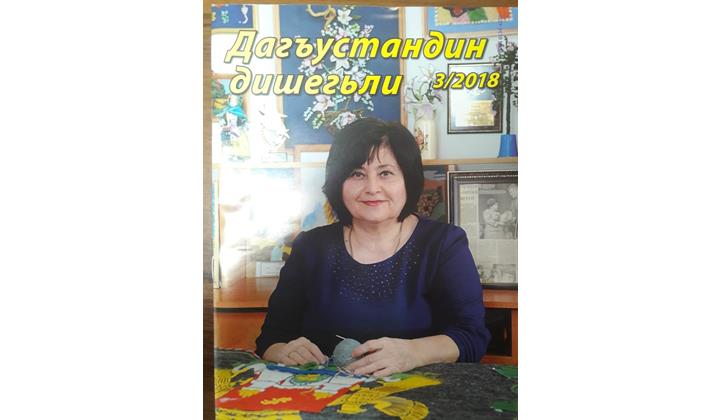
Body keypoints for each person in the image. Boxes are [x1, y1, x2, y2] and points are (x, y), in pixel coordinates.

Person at [255, 117, 490, 377]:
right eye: (357, 174)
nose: (372, 188)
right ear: (338, 182)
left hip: (418, 393)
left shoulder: (443, 244)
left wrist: (413, 352)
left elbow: (471, 336)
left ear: (407, 179)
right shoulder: (310, 247)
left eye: (385, 173)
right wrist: (284, 351)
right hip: (324, 393)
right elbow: (271, 339)